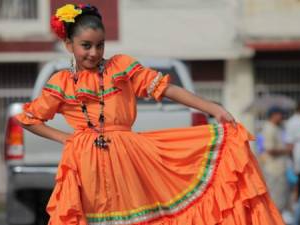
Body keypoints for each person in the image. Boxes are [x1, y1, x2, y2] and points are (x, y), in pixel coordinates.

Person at [15, 4, 284, 225]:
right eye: (86, 45)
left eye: (100, 45)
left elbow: (166, 88)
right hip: (85, 163)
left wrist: (213, 108)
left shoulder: (121, 67)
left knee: (138, 218)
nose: (94, 52)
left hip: (130, 159)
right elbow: (28, 118)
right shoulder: (61, 82)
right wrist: (66, 138)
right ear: (68, 44)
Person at [261, 106, 292, 214]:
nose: (282, 117)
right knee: (275, 201)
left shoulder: (278, 128)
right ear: (273, 115)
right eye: (280, 114)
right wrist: (286, 150)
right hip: (273, 170)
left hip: (280, 169)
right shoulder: (269, 128)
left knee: (281, 199)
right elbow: (269, 149)